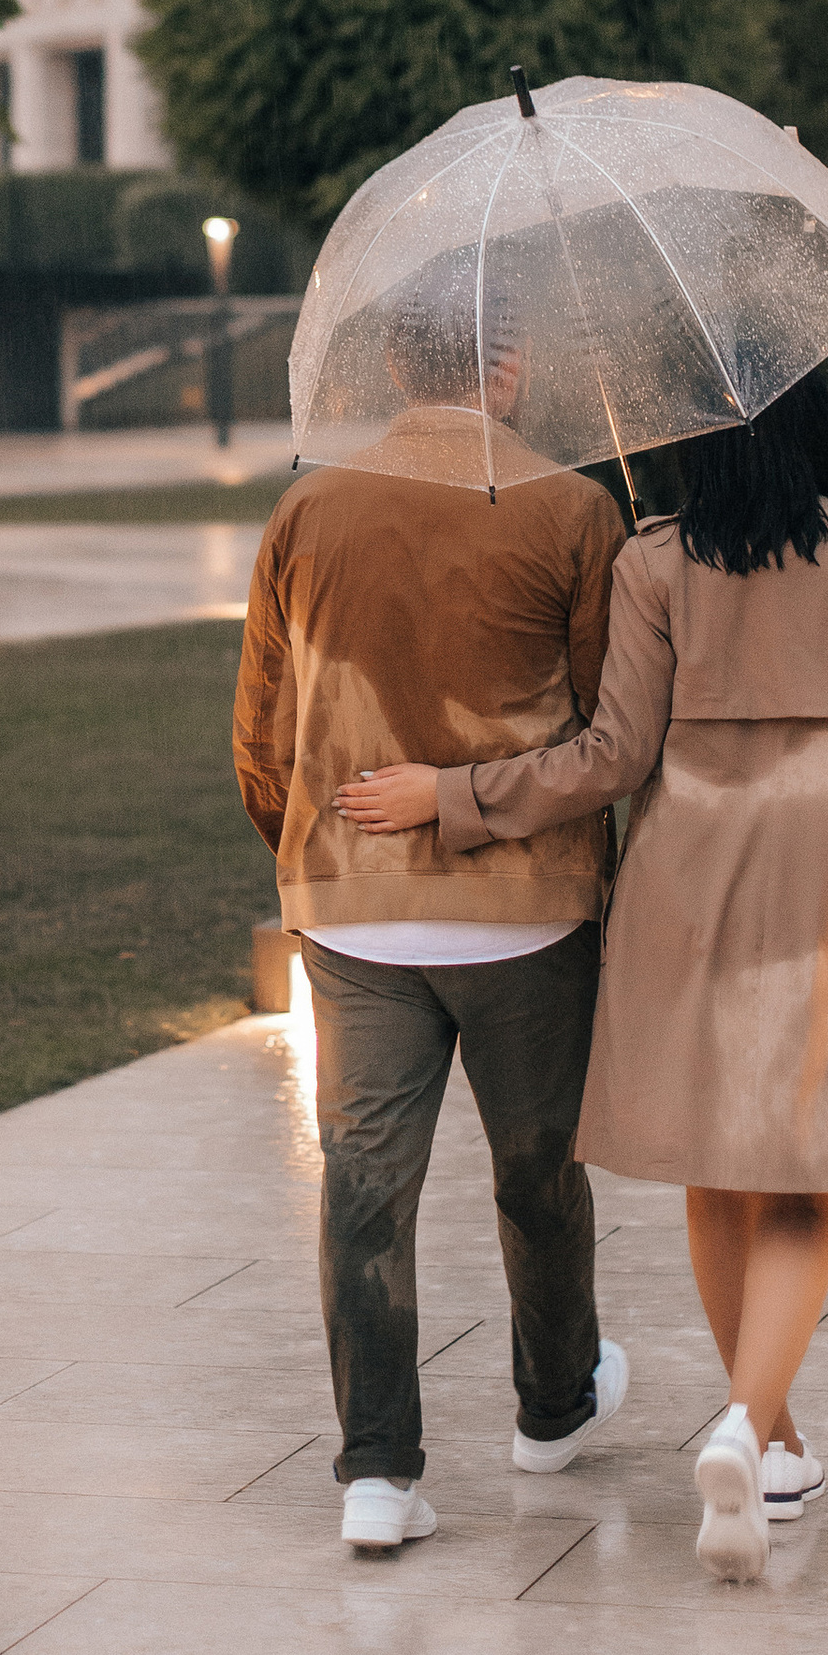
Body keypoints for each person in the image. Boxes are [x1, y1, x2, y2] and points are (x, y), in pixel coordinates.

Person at [338, 367, 828, 1583]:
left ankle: (767, 1436)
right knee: (806, 1181)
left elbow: (608, 757)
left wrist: (452, 794)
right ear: (818, 429)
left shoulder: (654, 563)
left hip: (682, 889)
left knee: (714, 1171)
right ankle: (748, 1427)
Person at [235, 266, 632, 1554]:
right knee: (540, 1170)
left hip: (353, 911)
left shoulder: (308, 507)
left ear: (400, 368)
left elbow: (262, 731)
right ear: (508, 366)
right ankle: (553, 1403)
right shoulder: (575, 510)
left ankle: (376, 1470)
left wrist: (314, 853)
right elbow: (602, 726)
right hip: (528, 907)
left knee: (364, 1187)